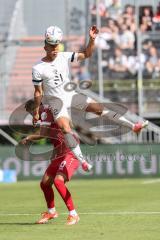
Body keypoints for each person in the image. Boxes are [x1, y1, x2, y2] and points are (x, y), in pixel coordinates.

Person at [32, 25, 148, 161]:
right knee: (66, 129)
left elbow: (87, 54)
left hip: (70, 95)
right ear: (45, 46)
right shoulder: (38, 68)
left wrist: (92, 40)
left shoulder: (64, 56)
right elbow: (38, 92)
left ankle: (134, 127)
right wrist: (36, 112)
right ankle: (83, 161)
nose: (55, 48)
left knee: (99, 108)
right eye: (52, 45)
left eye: (57, 45)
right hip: (56, 103)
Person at [20, 99, 92, 225]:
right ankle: (51, 212)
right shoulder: (45, 114)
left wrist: (29, 137)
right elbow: (46, 133)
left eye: (31, 112)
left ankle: (73, 214)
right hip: (58, 152)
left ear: (35, 108)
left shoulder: (47, 111)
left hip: (70, 150)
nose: (32, 115)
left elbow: (45, 132)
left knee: (58, 182)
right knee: (45, 183)